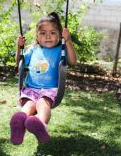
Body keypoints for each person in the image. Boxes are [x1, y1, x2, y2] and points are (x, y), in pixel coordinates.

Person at [10, 12, 77, 145]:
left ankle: (38, 122)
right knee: (29, 104)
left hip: (49, 90)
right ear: (37, 35)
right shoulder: (33, 49)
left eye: (52, 33)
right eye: (43, 33)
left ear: (59, 35)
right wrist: (19, 47)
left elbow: (73, 61)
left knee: (42, 103)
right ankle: (19, 121)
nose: (47, 36)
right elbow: (19, 62)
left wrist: (68, 41)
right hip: (30, 88)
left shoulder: (60, 50)